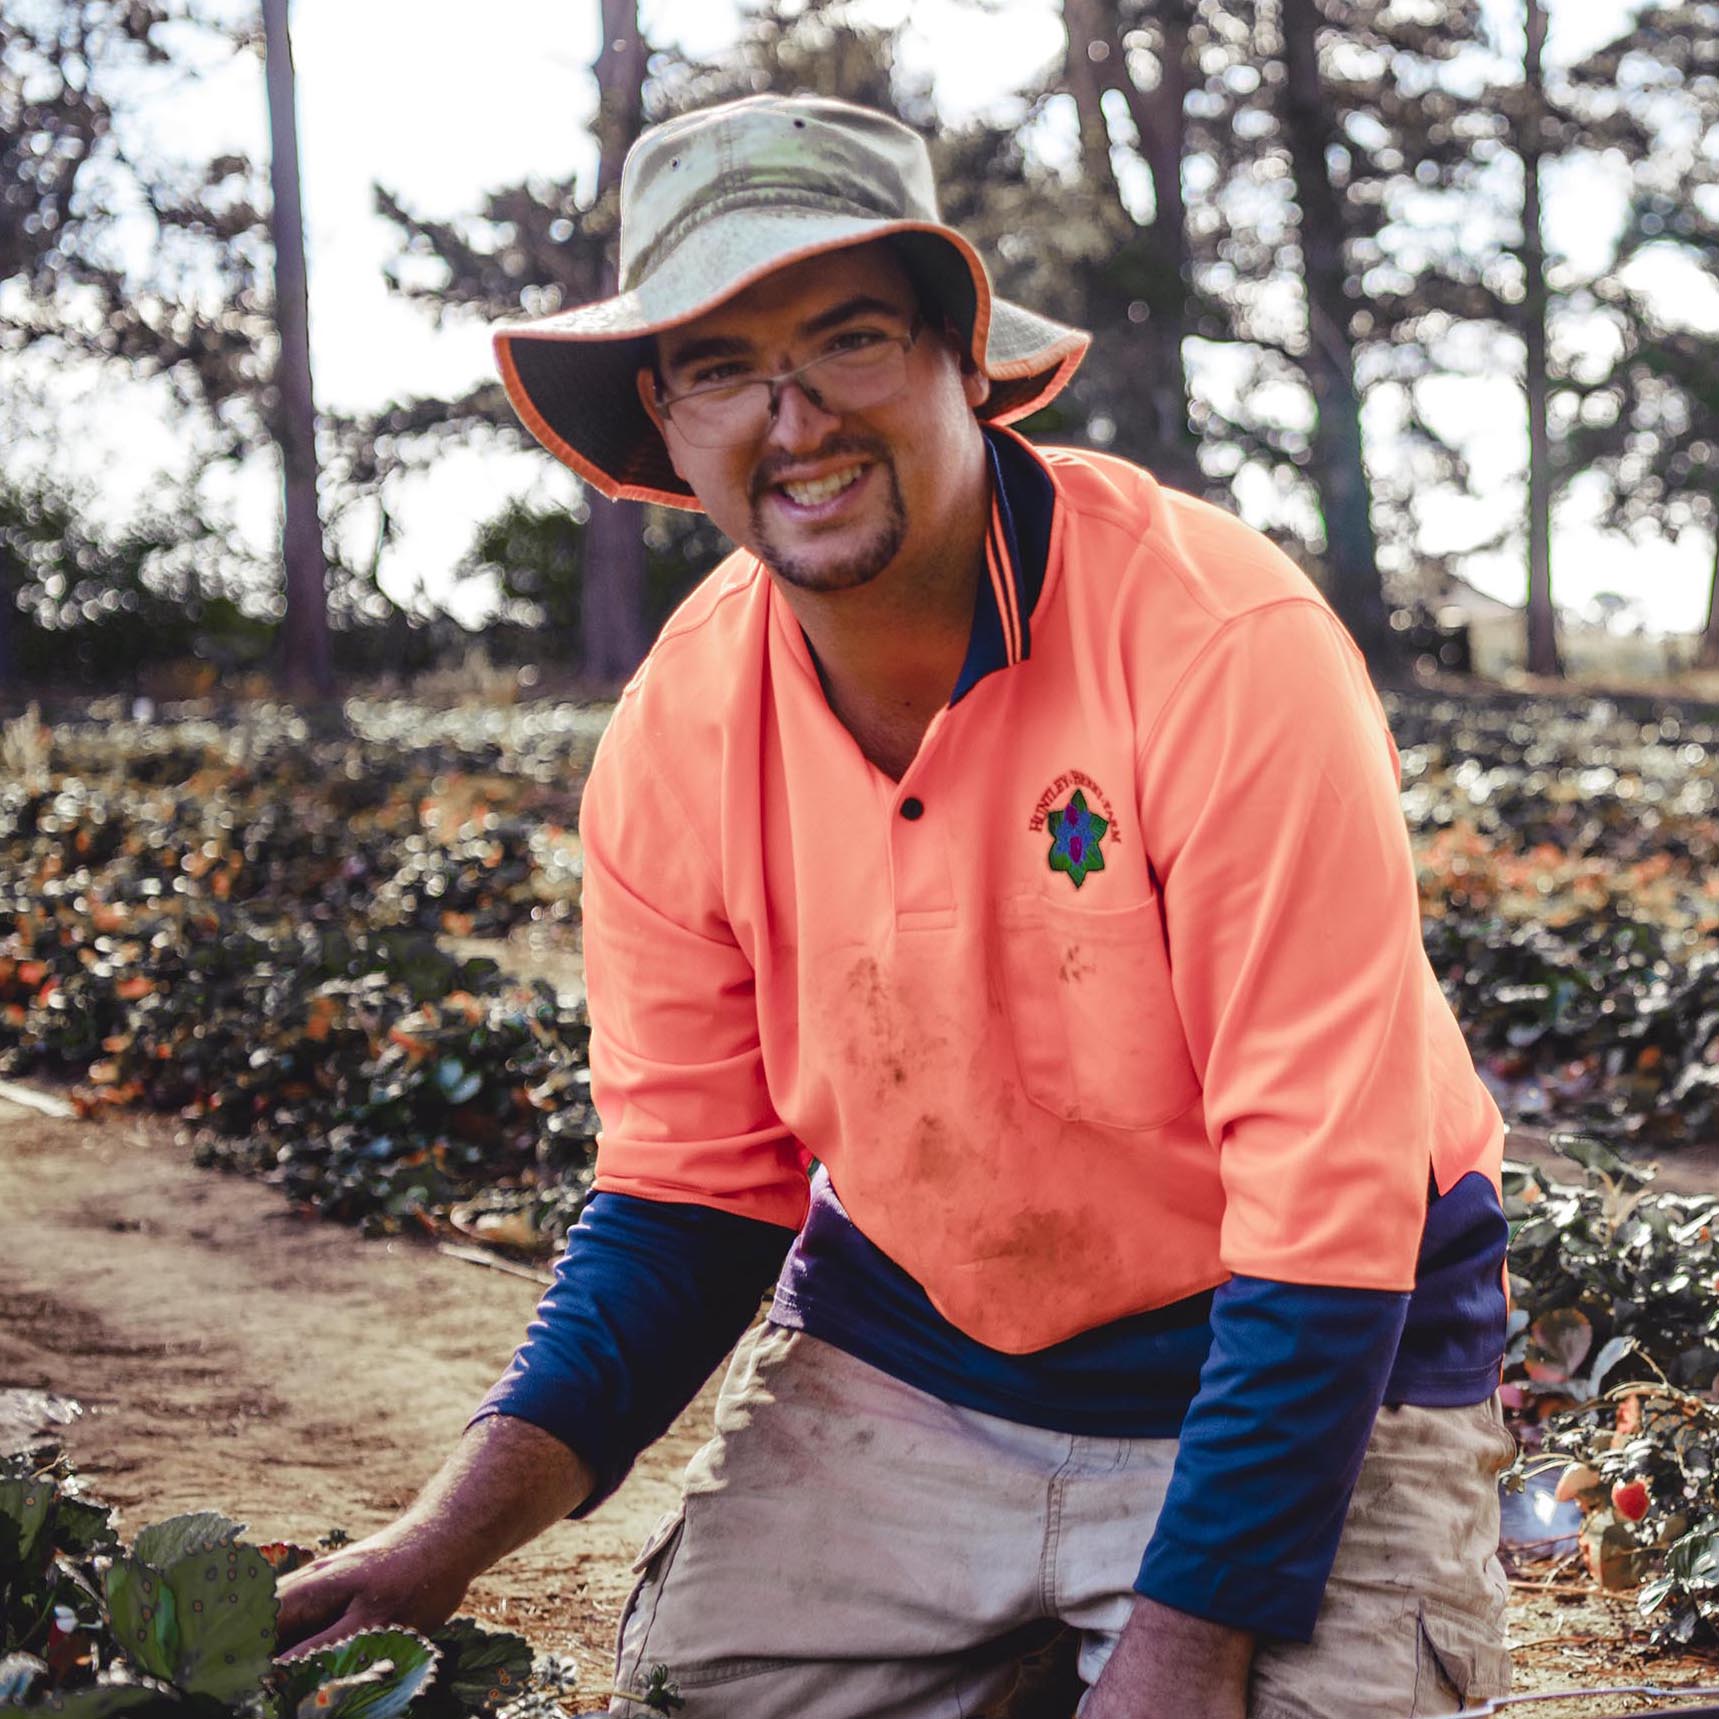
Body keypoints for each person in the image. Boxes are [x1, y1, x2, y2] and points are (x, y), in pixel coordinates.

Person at [278, 94, 1513, 1718]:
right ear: (664, 415)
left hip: (1298, 1367)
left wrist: (1189, 1630)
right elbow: (692, 1196)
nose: (794, 423)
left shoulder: (1219, 644)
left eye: (849, 340)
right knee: (699, 1692)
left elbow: (1329, 1193)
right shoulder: (678, 734)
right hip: (920, 1359)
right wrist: (444, 1541)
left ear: (960, 356)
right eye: (723, 366)